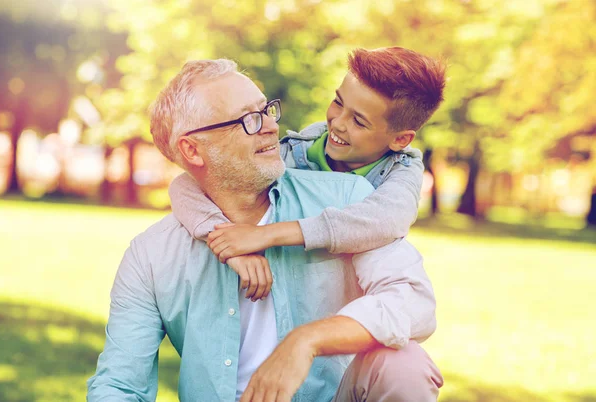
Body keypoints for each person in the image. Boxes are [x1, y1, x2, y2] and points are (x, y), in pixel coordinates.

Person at [87, 59, 443, 402]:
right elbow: (120, 385)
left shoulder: (350, 198)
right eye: (249, 120)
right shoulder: (152, 254)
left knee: (403, 364)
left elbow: (414, 303)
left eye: (266, 111)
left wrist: (307, 340)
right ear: (192, 150)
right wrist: (221, 236)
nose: (273, 127)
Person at [168, 47, 446, 301]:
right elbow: (185, 187)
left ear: (400, 140)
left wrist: (267, 234)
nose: (337, 123)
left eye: (358, 121)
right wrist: (228, 243)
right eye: (338, 103)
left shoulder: (402, 170)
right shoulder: (294, 153)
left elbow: (385, 221)